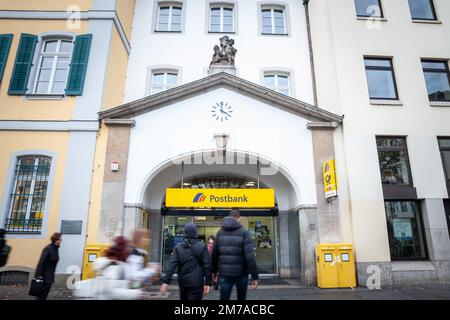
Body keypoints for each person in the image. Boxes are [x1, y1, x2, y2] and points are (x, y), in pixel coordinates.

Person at [212, 210, 259, 300]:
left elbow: (215, 254)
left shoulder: (220, 232)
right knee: (241, 298)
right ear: (238, 218)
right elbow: (250, 257)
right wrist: (254, 276)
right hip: (241, 273)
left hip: (224, 272)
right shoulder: (244, 233)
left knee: (224, 298)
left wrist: (214, 271)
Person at [160, 223, 212, 300]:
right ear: (195, 233)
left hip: (183, 282)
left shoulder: (178, 247)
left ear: (184, 233)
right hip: (197, 282)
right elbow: (207, 265)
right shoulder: (202, 246)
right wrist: (208, 282)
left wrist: (166, 282)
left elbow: (172, 265)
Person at [34, 232, 62, 300]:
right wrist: (39, 275)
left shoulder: (55, 248)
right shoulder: (48, 248)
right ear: (56, 240)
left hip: (50, 274)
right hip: (44, 274)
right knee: (42, 293)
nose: (61, 240)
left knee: (45, 292)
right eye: (60, 239)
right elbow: (41, 262)